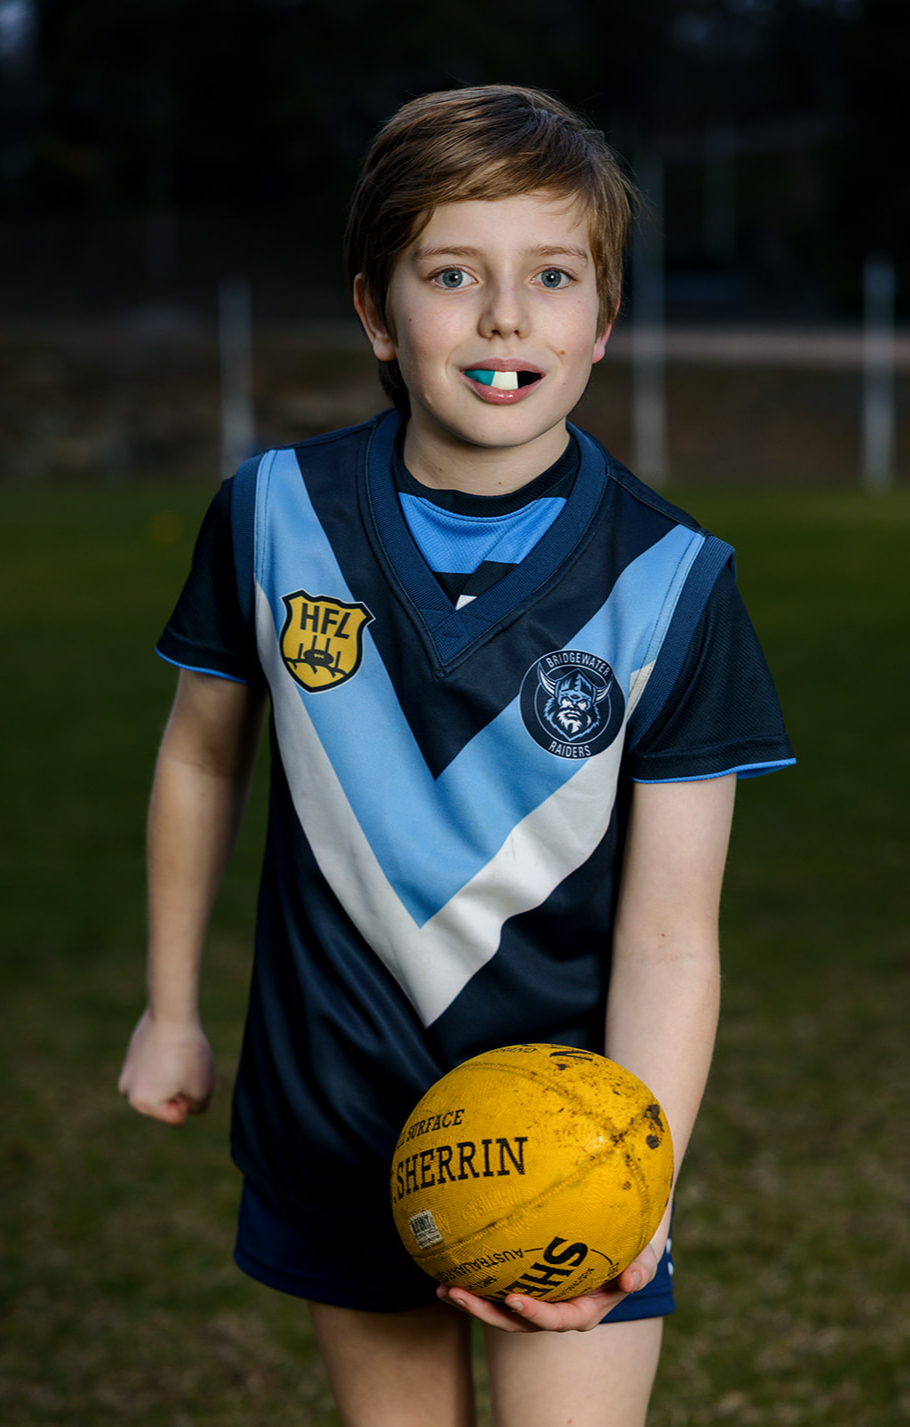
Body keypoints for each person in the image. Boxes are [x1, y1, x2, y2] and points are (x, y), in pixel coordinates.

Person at [119, 84, 794, 1427]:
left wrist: (636, 1192)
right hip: (336, 1112)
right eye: (450, 274)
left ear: (603, 320)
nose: (503, 318)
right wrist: (171, 1007)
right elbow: (199, 761)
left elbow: (672, 942)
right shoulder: (272, 516)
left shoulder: (673, 583)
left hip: (570, 1140)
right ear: (377, 312)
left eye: (552, 276)